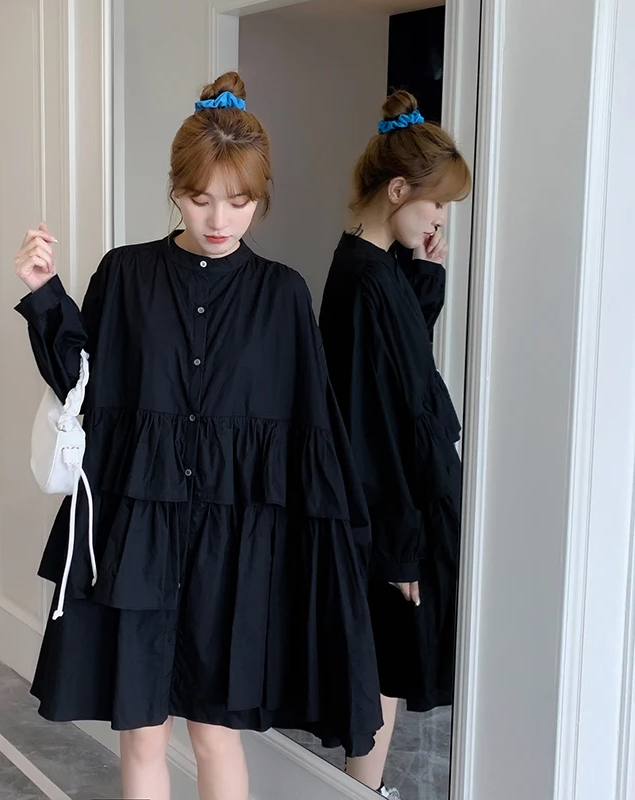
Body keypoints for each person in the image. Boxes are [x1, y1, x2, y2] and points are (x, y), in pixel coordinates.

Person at [13, 71, 382, 800]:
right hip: (138, 536)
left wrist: (338, 548)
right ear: (175, 190)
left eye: (239, 201)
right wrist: (44, 294)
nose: (219, 218)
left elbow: (311, 430)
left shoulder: (282, 294)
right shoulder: (126, 273)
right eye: (199, 197)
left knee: (215, 735)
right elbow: (84, 386)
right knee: (141, 732)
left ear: (260, 197)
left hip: (232, 552)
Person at [317, 90, 472, 799]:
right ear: (399, 189)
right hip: (393, 512)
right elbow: (372, 420)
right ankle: (363, 790)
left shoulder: (373, 268)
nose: (440, 218)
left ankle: (366, 788)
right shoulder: (363, 278)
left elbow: (403, 364)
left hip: (402, 502)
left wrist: (424, 270)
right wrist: (399, 545)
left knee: (391, 661)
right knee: (385, 659)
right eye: (436, 203)